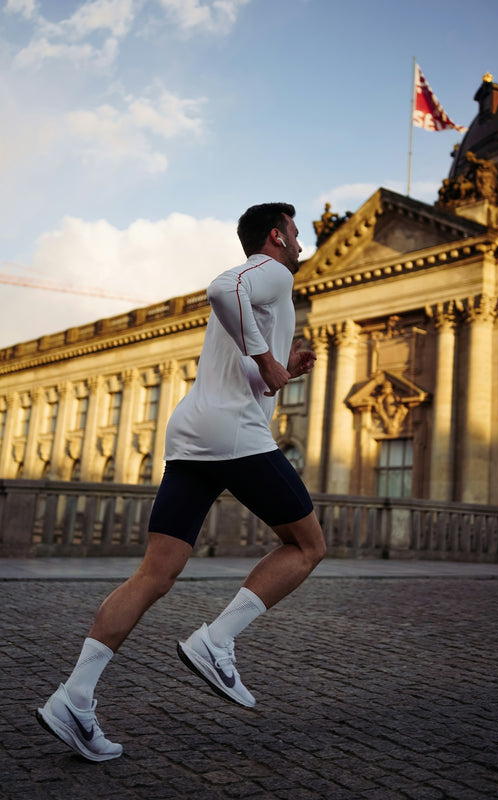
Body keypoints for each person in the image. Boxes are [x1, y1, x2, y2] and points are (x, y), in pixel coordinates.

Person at [36, 202, 327, 762]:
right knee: (309, 545)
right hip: (232, 436)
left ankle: (73, 697)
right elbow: (221, 288)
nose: (301, 245)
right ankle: (216, 641)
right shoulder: (267, 272)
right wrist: (270, 361)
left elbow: (243, 370)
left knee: (154, 573)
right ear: (275, 236)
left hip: (193, 435)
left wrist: (279, 362)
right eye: (295, 234)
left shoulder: (264, 296)